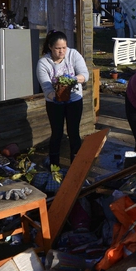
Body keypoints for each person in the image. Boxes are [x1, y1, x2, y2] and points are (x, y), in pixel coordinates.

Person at [36, 31, 88, 168]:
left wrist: (74, 79)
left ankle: (76, 166)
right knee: (57, 133)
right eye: (58, 48)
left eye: (64, 48)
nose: (61, 51)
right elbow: (46, 87)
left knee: (74, 132)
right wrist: (56, 96)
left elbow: (84, 74)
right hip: (55, 103)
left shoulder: (73, 55)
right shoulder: (43, 63)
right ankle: (54, 167)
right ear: (50, 47)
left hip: (75, 99)